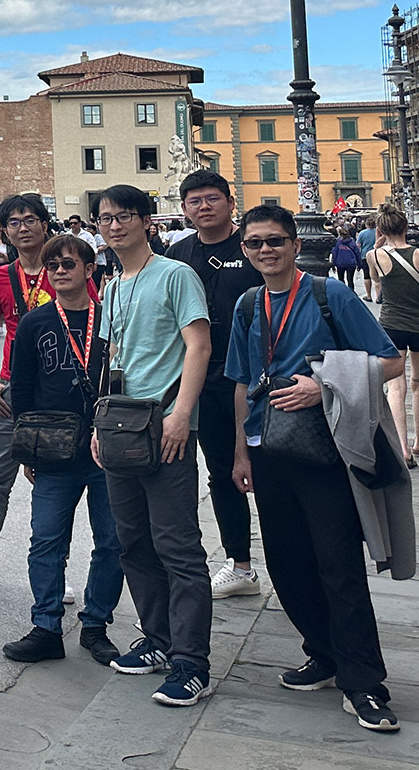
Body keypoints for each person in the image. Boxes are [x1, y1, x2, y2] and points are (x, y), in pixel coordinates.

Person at [226, 203, 406, 733]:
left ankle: (365, 682)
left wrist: (322, 383)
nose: (266, 250)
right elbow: (241, 382)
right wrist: (240, 452)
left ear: (293, 244)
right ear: (245, 249)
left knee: (338, 564)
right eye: (255, 243)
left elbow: (390, 359)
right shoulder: (246, 305)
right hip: (267, 447)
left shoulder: (331, 295)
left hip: (324, 450)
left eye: (275, 241)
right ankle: (324, 655)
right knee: (287, 564)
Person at [90, 184, 215, 706]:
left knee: (177, 546)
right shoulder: (114, 284)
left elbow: (199, 344)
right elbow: (110, 361)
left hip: (164, 426)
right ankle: (157, 638)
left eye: (124, 217)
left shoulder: (175, 275)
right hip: (122, 427)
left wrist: (181, 414)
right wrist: (100, 425)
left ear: (146, 221)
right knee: (132, 541)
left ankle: (191, 661)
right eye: (104, 219)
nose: (114, 226)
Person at [2, 234, 123, 665]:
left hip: (106, 448)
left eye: (68, 265)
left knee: (112, 541)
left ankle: (95, 624)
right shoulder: (35, 322)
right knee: (47, 540)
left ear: (89, 271)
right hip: (54, 449)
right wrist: (27, 451)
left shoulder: (109, 317)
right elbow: (24, 389)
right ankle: (46, 626)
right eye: (52, 266)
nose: (59, 272)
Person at [159, 170, 266, 601]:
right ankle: (238, 562)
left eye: (211, 199)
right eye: (194, 201)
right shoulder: (177, 252)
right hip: (191, 376)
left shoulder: (252, 248)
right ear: (184, 208)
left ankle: (265, 559)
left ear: (229, 202)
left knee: (253, 470)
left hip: (246, 376)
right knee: (216, 474)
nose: (203, 207)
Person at [0, 194, 61, 588]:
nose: (23, 227)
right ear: (3, 230)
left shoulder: (65, 269)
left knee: (53, 478)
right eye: (14, 222)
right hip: (9, 390)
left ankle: (55, 562)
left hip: (57, 391)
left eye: (30, 219)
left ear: (44, 224)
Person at [367, 202, 419, 462]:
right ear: (405, 227)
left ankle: (401, 447)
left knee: (395, 386)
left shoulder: (374, 257)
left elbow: (377, 283)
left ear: (380, 229)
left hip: (391, 326)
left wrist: (378, 247)